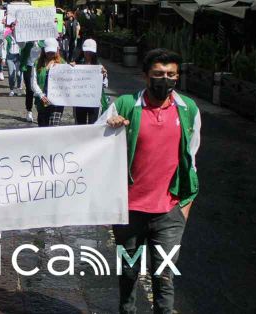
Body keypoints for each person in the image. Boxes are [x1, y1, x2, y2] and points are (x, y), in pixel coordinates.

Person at [99, 48, 201, 314]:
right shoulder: (124, 105)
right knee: (128, 272)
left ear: (177, 77)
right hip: (129, 211)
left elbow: (191, 159)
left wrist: (184, 206)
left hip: (169, 212)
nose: (164, 80)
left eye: (170, 75)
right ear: (145, 76)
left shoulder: (188, 110)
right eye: (158, 74)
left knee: (164, 275)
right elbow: (94, 147)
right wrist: (109, 128)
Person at [73, 39, 108, 125]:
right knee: (80, 126)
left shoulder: (99, 66)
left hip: (93, 101)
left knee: (93, 126)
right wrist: (70, 68)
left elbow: (105, 85)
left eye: (90, 52)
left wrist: (104, 76)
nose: (88, 53)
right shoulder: (76, 64)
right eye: (86, 51)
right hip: (80, 101)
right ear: (83, 51)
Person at [31, 38, 65, 127]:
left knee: (54, 128)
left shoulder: (62, 63)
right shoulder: (38, 63)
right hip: (42, 102)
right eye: (48, 51)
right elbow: (33, 82)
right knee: (43, 127)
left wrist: (73, 67)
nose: (50, 54)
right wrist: (41, 95)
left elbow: (69, 79)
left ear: (57, 50)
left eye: (52, 51)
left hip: (57, 102)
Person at [19, 40, 43, 123]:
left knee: (39, 89)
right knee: (29, 89)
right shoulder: (27, 43)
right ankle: (29, 111)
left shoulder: (42, 43)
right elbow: (22, 51)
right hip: (28, 67)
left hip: (39, 67)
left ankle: (40, 109)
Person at [5, 24, 23, 97]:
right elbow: (4, 47)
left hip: (18, 57)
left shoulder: (21, 37)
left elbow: (23, 46)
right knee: (11, 74)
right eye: (12, 26)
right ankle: (11, 89)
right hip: (10, 57)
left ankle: (18, 88)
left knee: (18, 74)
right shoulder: (8, 37)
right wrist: (3, 58)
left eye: (15, 26)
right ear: (11, 28)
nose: (14, 27)